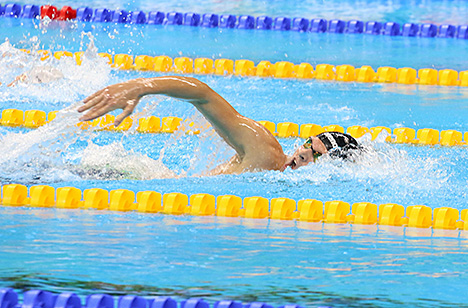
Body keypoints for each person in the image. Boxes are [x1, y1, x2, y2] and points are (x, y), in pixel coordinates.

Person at [78, 76, 360, 175]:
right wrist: (141, 86)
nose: (303, 154)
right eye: (309, 144)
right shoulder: (265, 151)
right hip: (132, 177)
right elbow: (203, 95)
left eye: (317, 155)